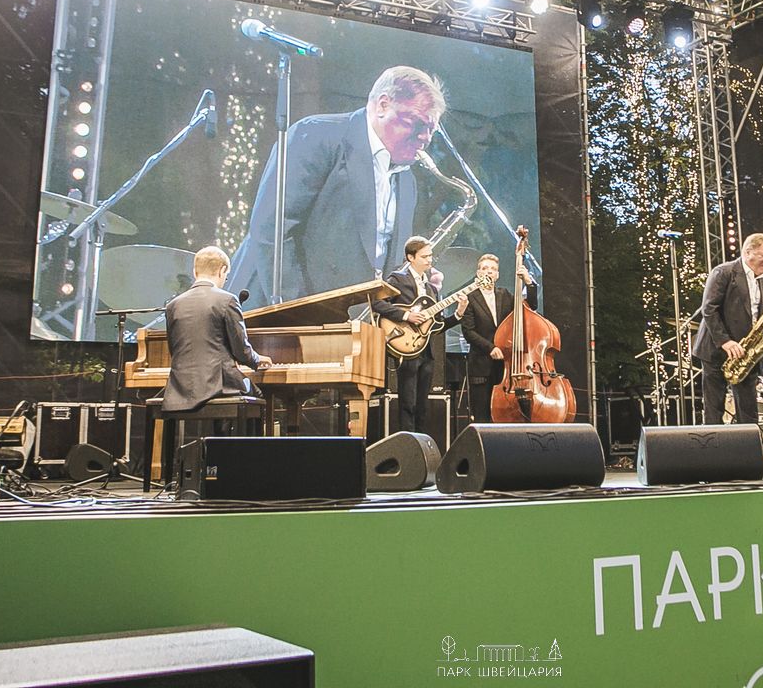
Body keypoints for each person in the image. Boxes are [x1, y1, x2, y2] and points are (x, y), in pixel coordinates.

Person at [226, 66, 446, 305]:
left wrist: (415, 283)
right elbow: (272, 230)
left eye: (431, 130)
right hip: (273, 309)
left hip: (345, 316)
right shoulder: (316, 134)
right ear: (383, 105)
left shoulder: (407, 180)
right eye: (416, 123)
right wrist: (301, 309)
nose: (425, 137)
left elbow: (385, 263)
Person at [691, 232, 763, 424]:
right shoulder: (724, 272)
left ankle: (749, 443)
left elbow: (755, 316)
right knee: (714, 410)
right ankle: (714, 443)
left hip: (745, 352)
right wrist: (725, 341)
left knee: (748, 411)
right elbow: (709, 309)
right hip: (716, 350)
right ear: (748, 252)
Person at [372, 236, 467, 435]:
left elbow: (437, 326)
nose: (429, 260)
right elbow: (377, 303)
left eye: (430, 256)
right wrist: (406, 315)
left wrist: (458, 314)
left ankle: (421, 443)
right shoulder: (398, 279)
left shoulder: (431, 289)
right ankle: (408, 444)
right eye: (424, 256)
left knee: (422, 405)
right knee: (408, 402)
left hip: (426, 350)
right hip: (406, 346)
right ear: (410, 257)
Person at [163, 246, 273, 414]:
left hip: (179, 387)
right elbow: (241, 351)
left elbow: (174, 349)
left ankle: (217, 431)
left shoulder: (173, 305)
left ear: (195, 271)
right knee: (258, 394)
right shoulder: (227, 300)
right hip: (219, 385)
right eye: (226, 276)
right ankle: (232, 432)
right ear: (222, 270)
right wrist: (257, 360)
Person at [460, 251, 537, 422]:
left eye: (493, 269)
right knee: (482, 415)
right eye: (485, 268)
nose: (489, 271)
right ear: (478, 273)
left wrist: (528, 281)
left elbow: (530, 307)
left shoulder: (505, 295)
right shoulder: (469, 298)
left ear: (497, 275)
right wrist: (491, 348)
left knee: (505, 415)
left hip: (505, 365)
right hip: (481, 364)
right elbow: (468, 332)